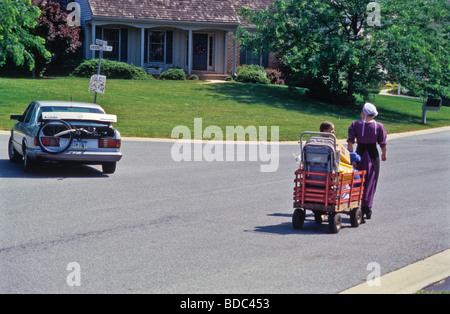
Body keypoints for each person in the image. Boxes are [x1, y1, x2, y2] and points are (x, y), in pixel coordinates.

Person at [347, 103, 387, 223]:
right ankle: (367, 208)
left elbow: (350, 143)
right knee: (371, 181)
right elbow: (383, 143)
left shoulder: (354, 125)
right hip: (373, 154)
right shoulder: (379, 126)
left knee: (357, 180)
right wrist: (384, 154)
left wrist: (352, 158)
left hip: (360, 153)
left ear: (364, 113)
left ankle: (355, 204)